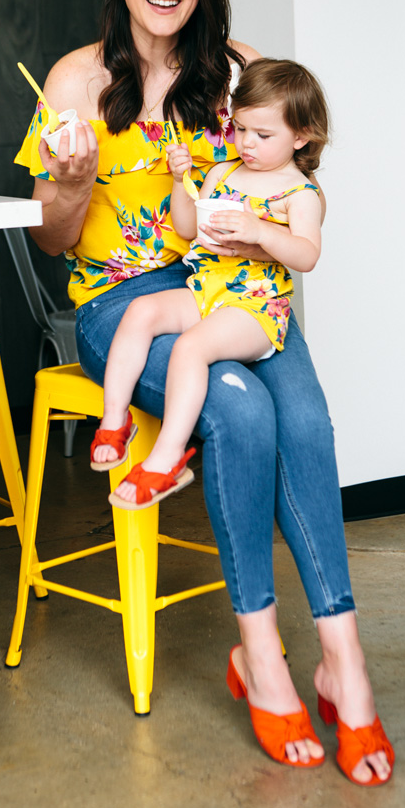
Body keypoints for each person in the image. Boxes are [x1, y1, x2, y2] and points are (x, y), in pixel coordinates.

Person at [15, 0, 394, 785]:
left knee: (302, 417)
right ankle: (261, 657)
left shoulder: (238, 71)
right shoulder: (76, 84)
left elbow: (292, 176)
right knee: (241, 417)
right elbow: (54, 237)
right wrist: (71, 181)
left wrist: (271, 226)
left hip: (231, 289)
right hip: (123, 303)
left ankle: (344, 663)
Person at [91, 58, 326, 513]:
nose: (247, 144)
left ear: (300, 136)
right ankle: (114, 420)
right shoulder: (222, 173)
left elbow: (307, 256)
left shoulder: (299, 194)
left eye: (263, 135)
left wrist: (259, 231)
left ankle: (167, 459)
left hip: (257, 308)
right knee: (140, 312)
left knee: (190, 348)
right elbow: (185, 227)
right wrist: (182, 181)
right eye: (239, 130)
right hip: (209, 290)